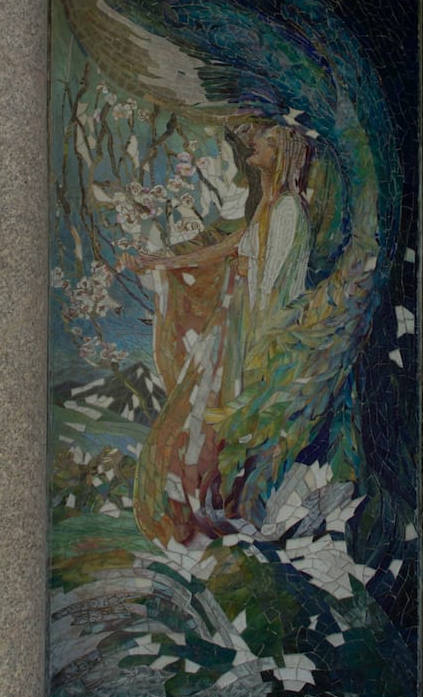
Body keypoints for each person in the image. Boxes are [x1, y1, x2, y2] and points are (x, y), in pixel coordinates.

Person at [129, 118, 313, 545]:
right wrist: (162, 263)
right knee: (203, 406)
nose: (254, 149)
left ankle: (233, 502)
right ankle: (201, 499)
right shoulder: (267, 208)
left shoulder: (288, 210)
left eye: (263, 145)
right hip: (236, 322)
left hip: (254, 328)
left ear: (279, 157)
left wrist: (257, 334)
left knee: (228, 410)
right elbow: (223, 250)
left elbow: (278, 282)